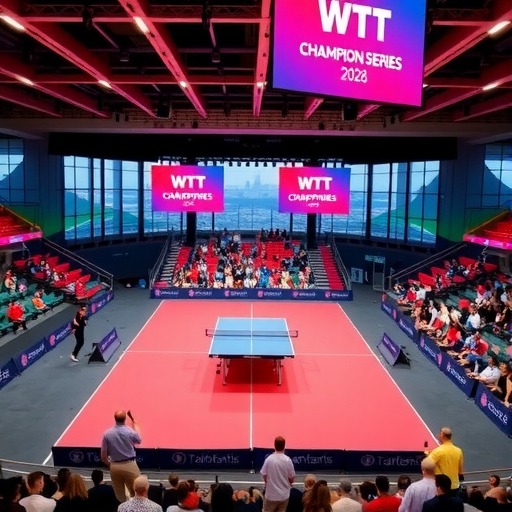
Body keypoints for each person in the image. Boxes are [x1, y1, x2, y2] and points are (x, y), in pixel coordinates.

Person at [100, 409, 141, 503]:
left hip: (114, 466)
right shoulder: (130, 432)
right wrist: (136, 425)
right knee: (136, 492)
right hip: (130, 465)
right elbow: (139, 440)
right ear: (125, 419)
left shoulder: (107, 434)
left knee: (119, 496)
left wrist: (111, 465)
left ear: (115, 419)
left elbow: (103, 456)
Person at [260, 436, 296, 512]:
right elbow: (292, 478)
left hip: (271, 496)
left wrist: (268, 484)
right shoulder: (287, 460)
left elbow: (264, 474)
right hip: (284, 496)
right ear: (284, 446)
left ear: (274, 445)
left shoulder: (269, 459)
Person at [426, 427, 464, 492]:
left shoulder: (438, 451)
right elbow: (460, 470)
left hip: (443, 487)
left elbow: (428, 464)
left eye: (439, 434)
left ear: (442, 435)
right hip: (455, 486)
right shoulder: (459, 451)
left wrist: (427, 453)